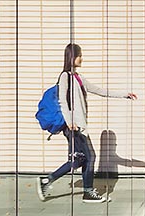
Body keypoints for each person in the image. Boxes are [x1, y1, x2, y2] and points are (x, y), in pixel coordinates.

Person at [37, 43, 137, 203]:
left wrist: (124, 95)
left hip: (79, 126)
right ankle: (87, 192)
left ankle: (47, 180)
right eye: (79, 55)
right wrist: (70, 122)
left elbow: (99, 90)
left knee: (78, 160)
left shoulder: (78, 78)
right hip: (73, 127)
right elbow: (63, 100)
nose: (81, 58)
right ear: (72, 57)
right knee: (89, 157)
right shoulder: (65, 77)